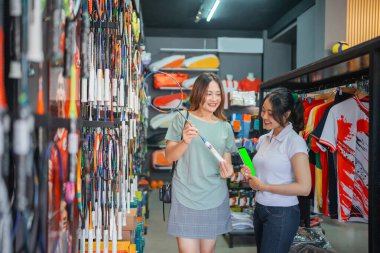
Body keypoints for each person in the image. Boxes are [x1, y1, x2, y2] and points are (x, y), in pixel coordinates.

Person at [165, 72, 237, 253]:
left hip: (214, 196)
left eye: (218, 94)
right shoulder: (182, 119)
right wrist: (185, 141)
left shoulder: (225, 126)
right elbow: (169, 157)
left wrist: (228, 171)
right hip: (185, 195)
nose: (214, 99)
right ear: (198, 93)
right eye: (209, 93)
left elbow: (227, 165)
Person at [241, 87, 311, 253]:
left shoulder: (295, 142)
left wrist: (264, 187)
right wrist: (250, 175)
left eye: (271, 113)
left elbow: (304, 188)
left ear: (286, 114)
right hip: (260, 209)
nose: (264, 116)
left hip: (282, 213)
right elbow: (266, 175)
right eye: (264, 111)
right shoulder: (264, 138)